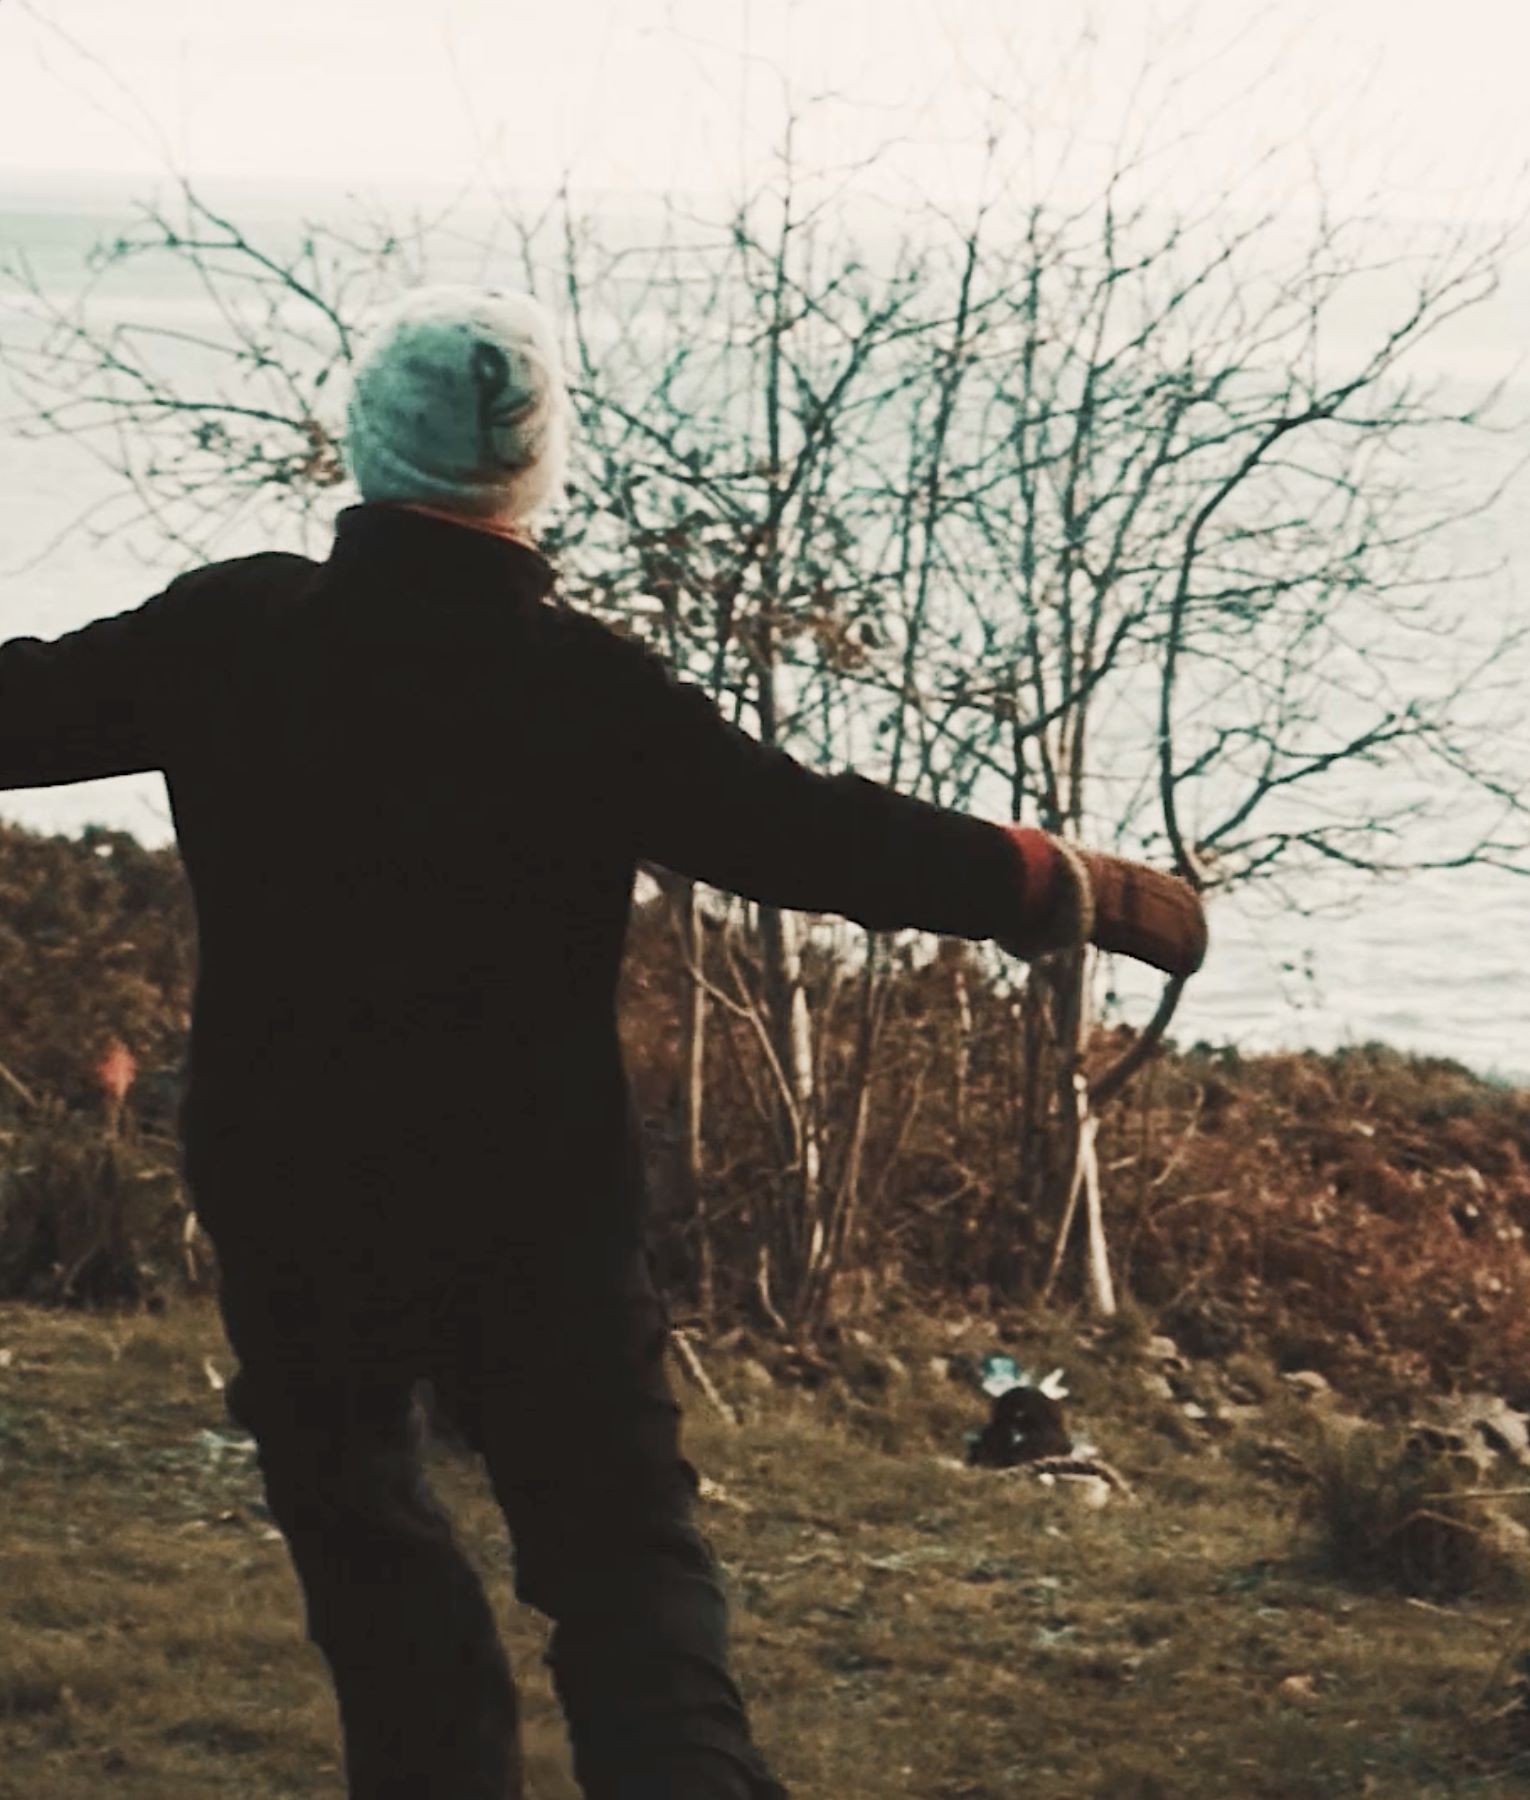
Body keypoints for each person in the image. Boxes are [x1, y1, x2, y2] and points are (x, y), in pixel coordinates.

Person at [0, 285, 1209, 1799]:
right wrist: (1065, 885)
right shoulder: (585, 691)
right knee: (626, 1570)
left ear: (363, 450)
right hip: (537, 1207)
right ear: (536, 475)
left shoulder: (234, 630)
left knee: (368, 1533)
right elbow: (820, 838)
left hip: (294, 1185)